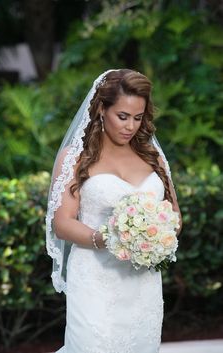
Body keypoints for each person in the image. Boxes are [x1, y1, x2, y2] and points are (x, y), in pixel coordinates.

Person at [45, 68, 182, 353]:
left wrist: (157, 237)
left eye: (138, 117)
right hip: (95, 279)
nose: (130, 126)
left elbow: (174, 216)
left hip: (142, 281)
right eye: (122, 116)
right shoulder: (76, 158)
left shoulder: (153, 157)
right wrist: (113, 238)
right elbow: (62, 223)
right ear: (101, 109)